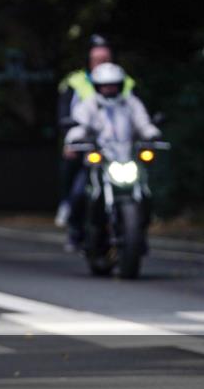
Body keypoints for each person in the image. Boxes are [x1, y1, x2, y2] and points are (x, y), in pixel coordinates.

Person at [63, 62, 160, 249]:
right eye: (105, 85)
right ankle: (77, 233)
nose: (109, 89)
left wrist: (152, 134)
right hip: (99, 162)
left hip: (126, 159)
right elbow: (79, 125)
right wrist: (73, 140)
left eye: (113, 85)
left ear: (120, 85)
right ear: (98, 87)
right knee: (79, 193)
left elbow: (143, 123)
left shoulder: (130, 103)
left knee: (146, 193)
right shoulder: (89, 105)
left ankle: (139, 233)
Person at [55, 35, 134, 227]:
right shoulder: (76, 83)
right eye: (97, 60)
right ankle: (68, 206)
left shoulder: (126, 83)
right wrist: (70, 140)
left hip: (121, 148)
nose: (101, 64)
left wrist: (149, 132)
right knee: (77, 185)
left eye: (105, 59)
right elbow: (71, 119)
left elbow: (139, 114)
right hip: (89, 148)